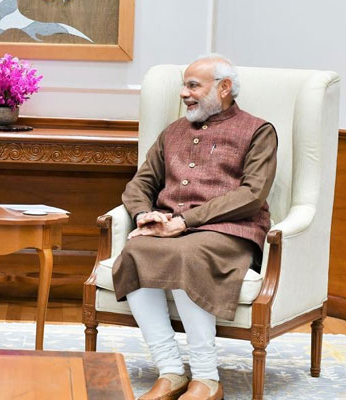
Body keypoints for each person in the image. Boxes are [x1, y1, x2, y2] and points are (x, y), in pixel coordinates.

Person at [113, 54, 276, 400]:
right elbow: (140, 183)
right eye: (183, 86)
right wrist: (144, 214)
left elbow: (252, 194)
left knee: (188, 253)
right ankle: (170, 371)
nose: (184, 94)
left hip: (232, 230)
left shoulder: (259, 131)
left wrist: (184, 222)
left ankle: (207, 379)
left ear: (224, 88)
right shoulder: (173, 132)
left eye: (193, 86)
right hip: (173, 228)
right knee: (136, 250)